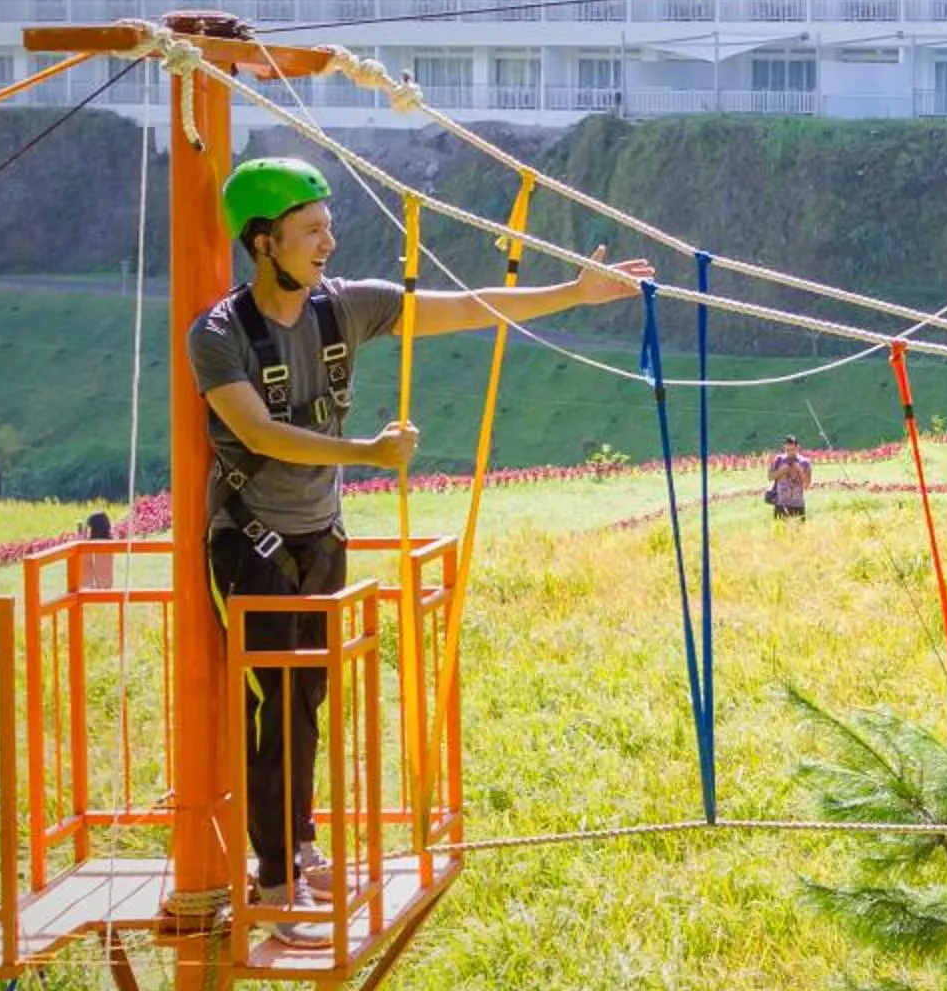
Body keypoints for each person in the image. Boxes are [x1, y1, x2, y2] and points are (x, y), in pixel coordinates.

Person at [190, 154, 650, 943]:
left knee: (307, 704)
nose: (327, 243)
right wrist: (369, 456)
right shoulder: (221, 334)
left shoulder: (346, 308)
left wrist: (570, 294)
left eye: (329, 227)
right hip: (251, 539)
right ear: (264, 243)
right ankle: (272, 882)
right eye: (311, 231)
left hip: (319, 535)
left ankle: (295, 850)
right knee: (274, 709)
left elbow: (465, 307)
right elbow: (258, 432)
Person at [766, 435, 812, 519]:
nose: (790, 452)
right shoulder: (778, 460)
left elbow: (807, 485)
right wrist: (782, 471)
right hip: (780, 505)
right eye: (787, 450)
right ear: (784, 448)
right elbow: (770, 477)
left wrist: (800, 470)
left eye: (792, 450)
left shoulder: (805, 462)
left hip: (798, 505)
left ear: (798, 448)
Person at [79, 508, 116, 591]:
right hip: (106, 587)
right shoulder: (111, 545)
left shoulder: (86, 547)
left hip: (89, 588)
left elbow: (85, 574)